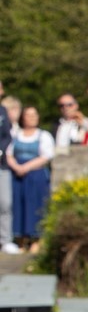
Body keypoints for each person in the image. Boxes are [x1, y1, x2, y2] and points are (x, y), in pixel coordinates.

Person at [6, 105, 54, 254]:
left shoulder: (43, 135)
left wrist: (26, 167)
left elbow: (46, 156)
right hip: (17, 175)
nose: (32, 118)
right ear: (23, 117)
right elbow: (8, 153)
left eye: (34, 115)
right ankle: (19, 239)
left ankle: (35, 240)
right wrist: (17, 167)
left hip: (35, 175)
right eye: (28, 115)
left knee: (35, 207)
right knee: (17, 206)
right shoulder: (15, 134)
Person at [0, 84, 16, 255]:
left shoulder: (2, 110)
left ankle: (5, 240)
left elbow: (7, 136)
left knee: (5, 203)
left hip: (1, 164)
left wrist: (0, 151)